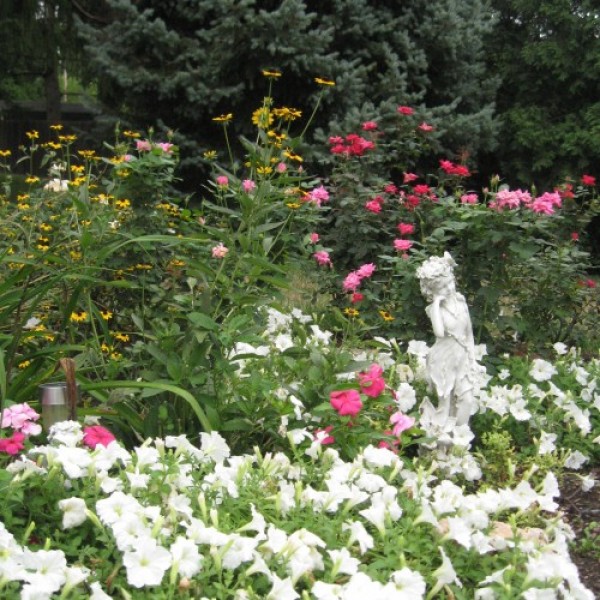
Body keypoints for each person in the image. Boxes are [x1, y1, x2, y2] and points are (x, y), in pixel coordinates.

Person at [416, 253, 476, 428]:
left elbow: (469, 333)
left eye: (450, 282)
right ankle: (444, 439)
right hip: (443, 358)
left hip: (462, 354)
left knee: (467, 398)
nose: (450, 288)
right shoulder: (433, 310)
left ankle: (460, 437)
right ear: (432, 291)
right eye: (443, 287)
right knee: (446, 403)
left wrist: (472, 358)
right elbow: (439, 332)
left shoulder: (461, 302)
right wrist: (436, 303)